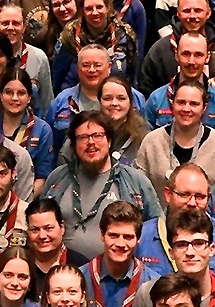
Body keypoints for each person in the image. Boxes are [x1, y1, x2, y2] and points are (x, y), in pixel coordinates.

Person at [41, 112, 160, 262]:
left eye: (97, 135)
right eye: (83, 137)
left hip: (120, 274)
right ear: (73, 145)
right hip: (65, 275)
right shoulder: (57, 178)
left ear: (109, 141)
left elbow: (157, 230)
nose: (91, 142)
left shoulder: (136, 181)